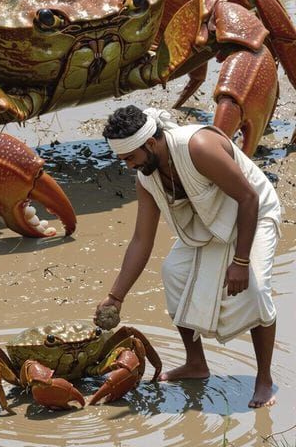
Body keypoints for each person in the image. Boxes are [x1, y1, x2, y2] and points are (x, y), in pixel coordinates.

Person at [95, 104, 280, 407]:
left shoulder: (198, 147)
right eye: (122, 160)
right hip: (207, 221)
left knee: (257, 289)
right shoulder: (147, 176)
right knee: (173, 272)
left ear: (150, 144)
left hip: (253, 213)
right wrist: (116, 296)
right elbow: (142, 239)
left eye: (131, 158)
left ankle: (264, 380)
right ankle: (196, 364)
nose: (128, 166)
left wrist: (242, 261)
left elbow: (249, 197)